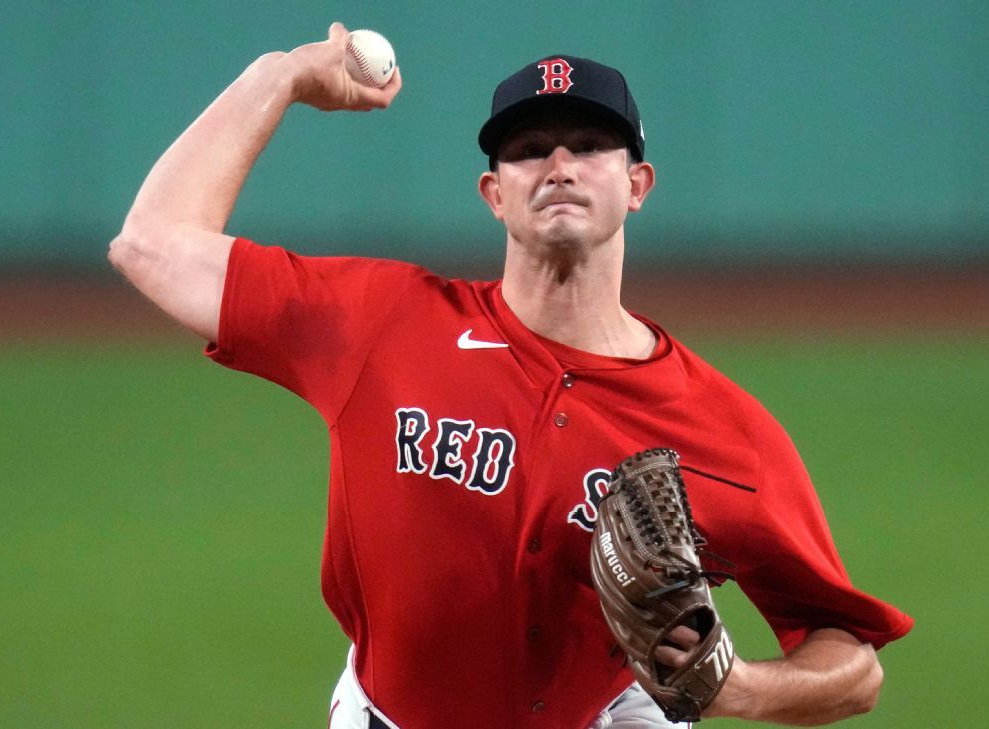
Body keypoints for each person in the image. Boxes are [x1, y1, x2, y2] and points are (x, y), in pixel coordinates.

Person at [109, 23, 912, 729]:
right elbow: (150, 243)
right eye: (529, 151)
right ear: (495, 194)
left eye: (589, 145)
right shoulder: (383, 323)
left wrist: (738, 687)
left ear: (638, 186)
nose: (558, 165)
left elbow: (853, 664)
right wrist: (276, 77)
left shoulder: (726, 433)